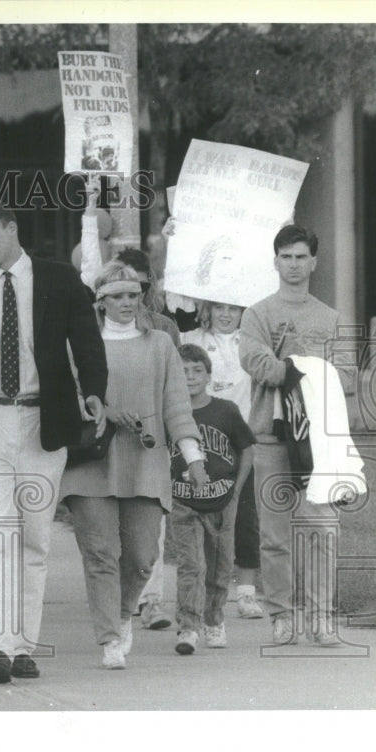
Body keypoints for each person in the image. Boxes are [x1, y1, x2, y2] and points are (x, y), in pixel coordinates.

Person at [0, 204, 108, 684]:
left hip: (43, 421)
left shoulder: (58, 279)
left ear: (12, 230)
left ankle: (24, 646)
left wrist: (95, 391)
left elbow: (87, 341)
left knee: (33, 537)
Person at [60, 262, 206, 670]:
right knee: (101, 553)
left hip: (145, 461)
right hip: (91, 463)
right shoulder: (79, 343)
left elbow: (177, 405)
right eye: (117, 296)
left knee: (143, 556)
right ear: (100, 300)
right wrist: (100, 407)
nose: (126, 303)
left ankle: (124, 612)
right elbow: (62, 396)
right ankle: (108, 638)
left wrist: (194, 459)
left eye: (133, 295)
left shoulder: (160, 344)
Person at [239, 224, 356, 646]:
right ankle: (282, 616)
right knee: (275, 535)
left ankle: (322, 617)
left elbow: (345, 375)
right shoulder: (258, 314)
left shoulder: (330, 317)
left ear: (314, 262)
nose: (293, 264)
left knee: (322, 529)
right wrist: (306, 365)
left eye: (301, 256)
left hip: (319, 442)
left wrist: (291, 364)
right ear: (275, 261)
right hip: (271, 438)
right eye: (286, 256)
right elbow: (258, 365)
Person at [170, 344, 255, 654]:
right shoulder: (170, 412)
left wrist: (237, 489)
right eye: (182, 371)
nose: (189, 377)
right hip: (183, 501)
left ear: (208, 376)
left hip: (221, 501)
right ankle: (188, 627)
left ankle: (214, 620)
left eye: (196, 371)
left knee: (220, 566)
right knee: (191, 565)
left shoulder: (225, 410)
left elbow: (246, 448)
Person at [182, 299, 264, 618]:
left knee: (244, 515)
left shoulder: (252, 342)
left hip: (238, 437)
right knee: (198, 514)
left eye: (233, 308)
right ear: (208, 310)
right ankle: (201, 590)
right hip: (199, 434)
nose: (226, 315)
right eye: (219, 308)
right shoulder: (191, 339)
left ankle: (245, 593)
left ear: (243, 311)